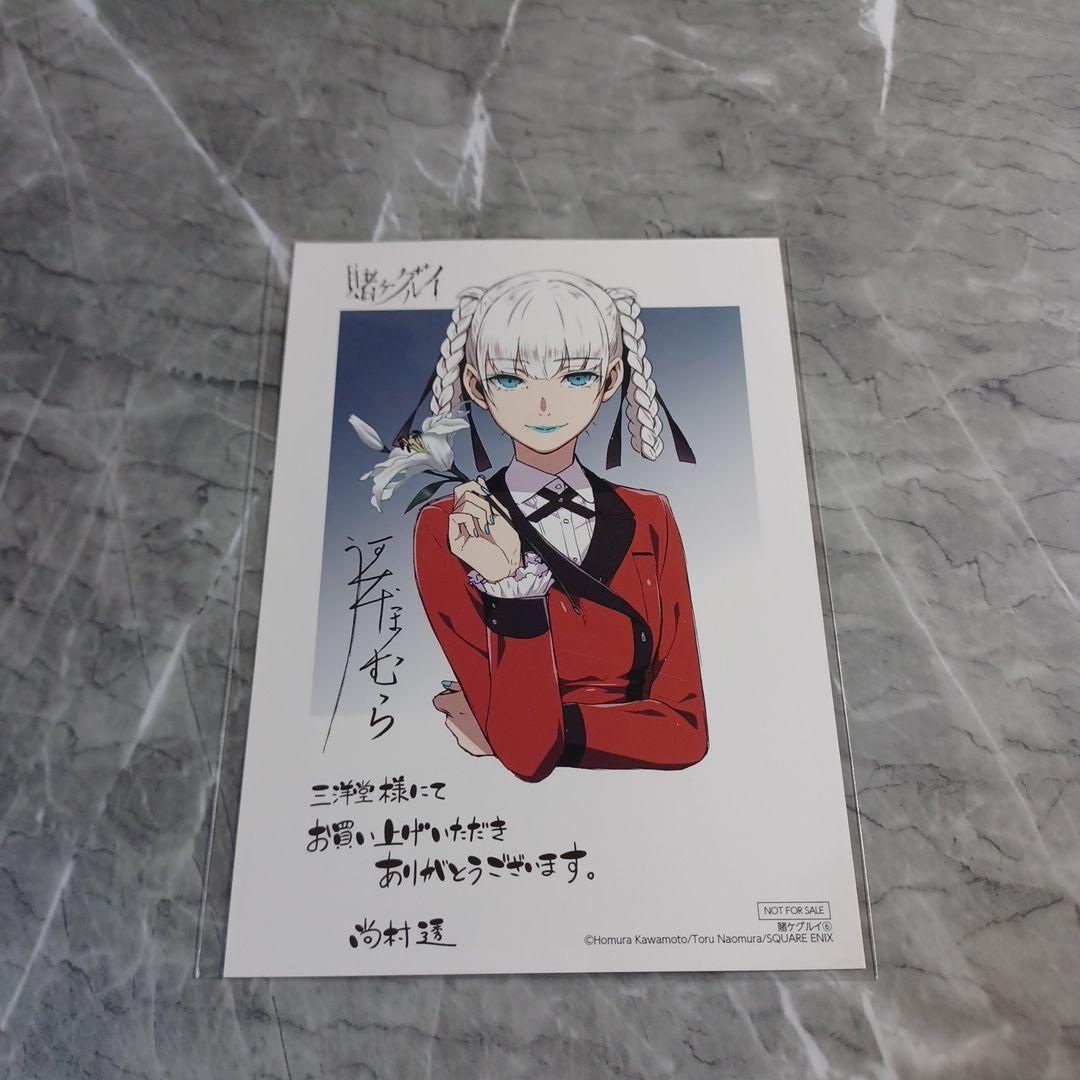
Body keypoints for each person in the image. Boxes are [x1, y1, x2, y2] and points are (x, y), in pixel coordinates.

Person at [410, 270, 708, 783]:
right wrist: (510, 592)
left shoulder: (650, 517)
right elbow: (527, 757)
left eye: (575, 377)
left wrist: (517, 729)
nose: (543, 404)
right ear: (476, 387)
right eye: (511, 379)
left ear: (610, 381)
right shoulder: (451, 527)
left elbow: (686, 733)